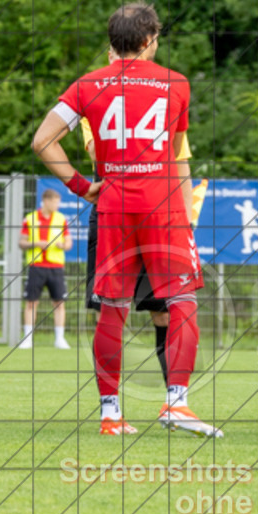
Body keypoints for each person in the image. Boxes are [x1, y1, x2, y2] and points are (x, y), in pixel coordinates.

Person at [32, 0, 221, 438]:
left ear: (112, 42)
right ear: (150, 39)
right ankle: (177, 403)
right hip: (162, 204)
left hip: (113, 201)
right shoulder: (176, 84)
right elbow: (174, 152)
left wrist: (82, 186)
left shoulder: (87, 85)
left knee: (112, 311)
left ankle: (111, 415)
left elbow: (42, 141)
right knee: (182, 302)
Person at [80, 62, 199, 388]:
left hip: (161, 213)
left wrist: (186, 220)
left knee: (164, 310)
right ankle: (110, 408)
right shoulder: (97, 96)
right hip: (114, 212)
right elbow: (97, 151)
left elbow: (179, 163)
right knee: (110, 310)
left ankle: (174, 401)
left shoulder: (163, 96)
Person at [19, 189, 73, 350]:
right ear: (46, 201)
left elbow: (69, 243)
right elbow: (21, 242)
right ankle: (27, 339)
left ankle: (60, 339)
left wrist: (62, 245)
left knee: (59, 303)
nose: (58, 205)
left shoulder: (61, 219)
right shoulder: (30, 219)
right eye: (55, 202)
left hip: (56, 268)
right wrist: (36, 244)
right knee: (31, 303)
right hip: (36, 266)